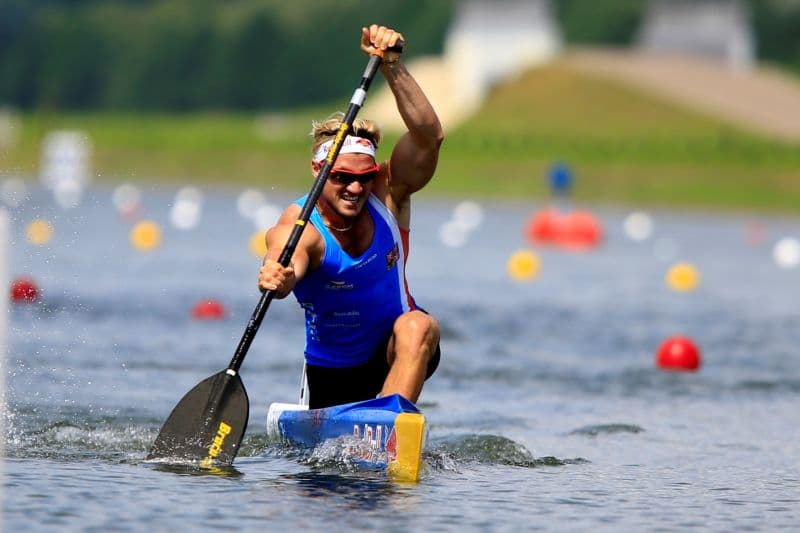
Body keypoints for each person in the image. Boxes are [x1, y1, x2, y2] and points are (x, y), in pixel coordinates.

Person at [257, 24, 444, 409]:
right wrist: (279, 277)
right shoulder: (302, 227)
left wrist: (391, 64)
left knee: (418, 325)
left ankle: (390, 427)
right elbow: (285, 257)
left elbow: (428, 137)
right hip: (333, 374)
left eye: (363, 178)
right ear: (317, 170)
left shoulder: (388, 193)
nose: (355, 189)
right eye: (341, 178)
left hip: (396, 351)